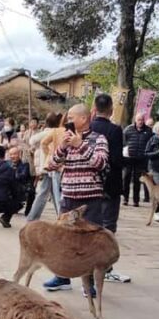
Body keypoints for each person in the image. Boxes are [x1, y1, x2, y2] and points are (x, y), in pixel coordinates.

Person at [43, 103, 108, 294]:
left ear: (84, 119)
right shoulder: (66, 139)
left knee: (90, 242)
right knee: (63, 239)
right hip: (69, 196)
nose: (68, 121)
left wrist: (80, 145)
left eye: (71, 117)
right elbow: (52, 164)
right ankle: (62, 277)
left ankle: (89, 283)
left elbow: (100, 163)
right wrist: (62, 147)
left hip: (91, 198)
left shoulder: (98, 139)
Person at [90, 93, 130, 283]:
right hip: (110, 184)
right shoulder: (115, 130)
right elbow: (115, 159)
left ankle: (88, 266)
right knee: (108, 227)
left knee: (90, 224)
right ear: (111, 109)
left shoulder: (88, 127)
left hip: (90, 182)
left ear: (94, 108)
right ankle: (105, 267)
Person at [27, 112, 64, 220]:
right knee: (52, 193)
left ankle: (33, 217)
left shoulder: (49, 132)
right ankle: (33, 217)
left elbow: (33, 141)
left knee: (48, 192)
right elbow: (33, 140)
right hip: (51, 166)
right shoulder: (52, 132)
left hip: (47, 166)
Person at [122, 112, 153, 206]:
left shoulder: (148, 131)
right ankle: (125, 198)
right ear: (135, 120)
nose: (140, 121)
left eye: (142, 120)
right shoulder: (128, 129)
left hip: (141, 159)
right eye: (139, 120)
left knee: (137, 180)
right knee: (126, 178)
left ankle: (136, 200)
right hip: (129, 158)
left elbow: (151, 144)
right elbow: (123, 142)